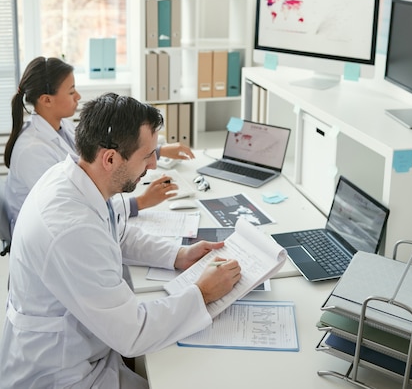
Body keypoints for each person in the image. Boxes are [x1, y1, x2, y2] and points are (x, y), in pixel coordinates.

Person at [0, 94, 241, 388]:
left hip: (85, 348)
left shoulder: (77, 177)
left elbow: (117, 232)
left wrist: (178, 255)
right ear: (110, 158)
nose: (153, 165)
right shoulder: (70, 227)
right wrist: (202, 293)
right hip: (60, 373)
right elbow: (133, 333)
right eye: (147, 155)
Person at [4, 56, 194, 230]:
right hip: (52, 231)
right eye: (71, 92)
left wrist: (156, 151)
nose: (78, 96)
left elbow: (96, 154)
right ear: (46, 100)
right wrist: (141, 202)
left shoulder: (62, 126)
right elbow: (74, 204)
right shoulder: (32, 151)